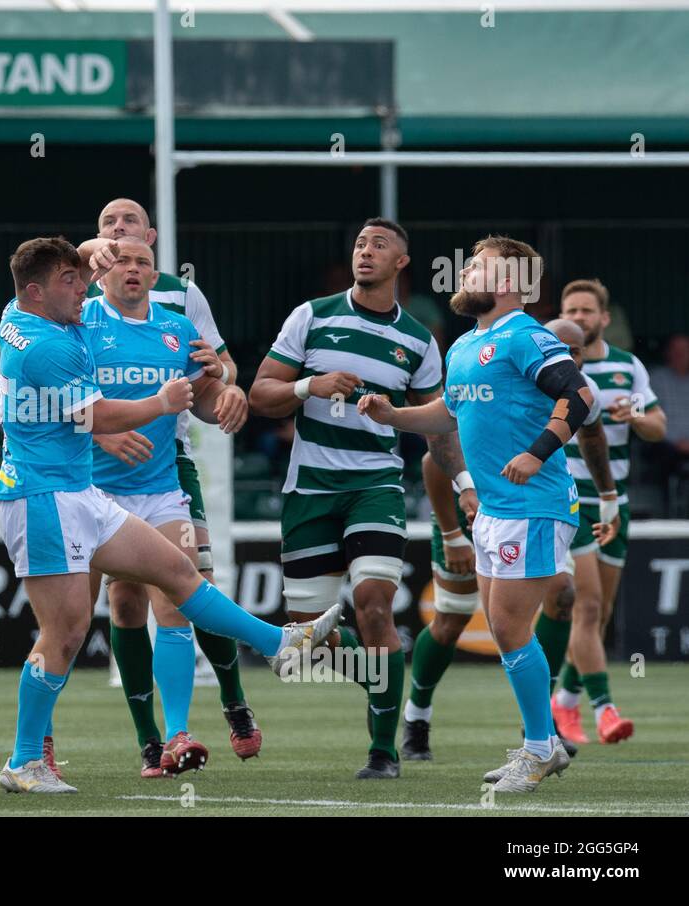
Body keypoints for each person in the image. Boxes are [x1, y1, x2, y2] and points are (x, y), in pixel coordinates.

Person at [0, 236, 340, 794]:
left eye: (83, 277)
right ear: (36, 291)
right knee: (65, 633)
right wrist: (163, 402)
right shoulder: (44, 346)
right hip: (43, 500)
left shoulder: (20, 313)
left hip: (79, 495)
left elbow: (185, 381)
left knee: (179, 574)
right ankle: (25, 760)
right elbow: (99, 416)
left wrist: (214, 383)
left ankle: (281, 646)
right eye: (71, 281)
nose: (82, 287)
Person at [359, 235, 596, 793]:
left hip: (532, 506)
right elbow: (449, 413)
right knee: (505, 629)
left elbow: (578, 395)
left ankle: (540, 748)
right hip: (494, 509)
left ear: (509, 283)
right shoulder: (467, 344)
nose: (465, 274)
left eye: (478, 267)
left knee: (512, 629)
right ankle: (543, 744)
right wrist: (393, 413)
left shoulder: (526, 335)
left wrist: (537, 452)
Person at [248, 218, 465, 780]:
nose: (366, 252)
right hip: (310, 490)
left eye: (380, 245)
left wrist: (465, 486)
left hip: (375, 487)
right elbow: (259, 396)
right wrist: (307, 387)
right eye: (360, 244)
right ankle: (380, 660)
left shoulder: (418, 340)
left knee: (374, 605)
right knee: (303, 642)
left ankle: (383, 752)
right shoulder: (312, 315)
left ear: (401, 263)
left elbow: (438, 425)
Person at [87, 197, 262, 768]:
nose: (120, 235)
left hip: (168, 462)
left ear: (154, 241)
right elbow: (42, 393)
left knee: (189, 585)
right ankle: (148, 738)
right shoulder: (77, 309)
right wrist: (102, 431)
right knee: (122, 601)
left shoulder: (183, 303)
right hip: (92, 477)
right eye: (109, 228)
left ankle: (223, 706)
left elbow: (217, 371)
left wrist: (229, 386)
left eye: (130, 226)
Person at [401, 318, 617, 761]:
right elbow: (434, 456)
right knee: (453, 617)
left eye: (578, 353)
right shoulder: (503, 374)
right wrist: (452, 531)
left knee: (562, 597)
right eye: (562, 348)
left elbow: (594, 439)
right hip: (470, 510)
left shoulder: (572, 389)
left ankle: (539, 727)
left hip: (541, 507)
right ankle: (417, 714)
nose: (570, 360)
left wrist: (610, 497)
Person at [553, 279, 666, 743]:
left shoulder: (626, 367)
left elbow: (658, 426)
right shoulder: (550, 366)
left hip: (613, 500)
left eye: (587, 311)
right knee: (588, 605)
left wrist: (635, 417)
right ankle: (603, 709)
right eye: (570, 310)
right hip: (567, 497)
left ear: (604, 318)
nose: (578, 317)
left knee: (599, 615)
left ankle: (564, 702)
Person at [647, 333, 689, 483]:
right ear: (668, 353)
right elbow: (646, 416)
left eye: (684, 351)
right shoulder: (655, 379)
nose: (680, 355)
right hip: (667, 444)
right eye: (676, 351)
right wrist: (677, 442)